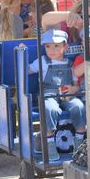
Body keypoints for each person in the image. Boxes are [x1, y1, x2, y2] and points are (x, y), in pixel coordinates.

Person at [25, 29, 86, 161]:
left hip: (66, 94)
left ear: (65, 47)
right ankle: (49, 143)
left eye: (56, 46)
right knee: (50, 109)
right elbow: (27, 70)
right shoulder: (42, 61)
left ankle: (79, 142)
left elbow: (75, 84)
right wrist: (21, 53)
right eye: (48, 46)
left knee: (78, 106)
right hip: (48, 94)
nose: (51, 50)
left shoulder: (69, 63)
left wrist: (73, 89)